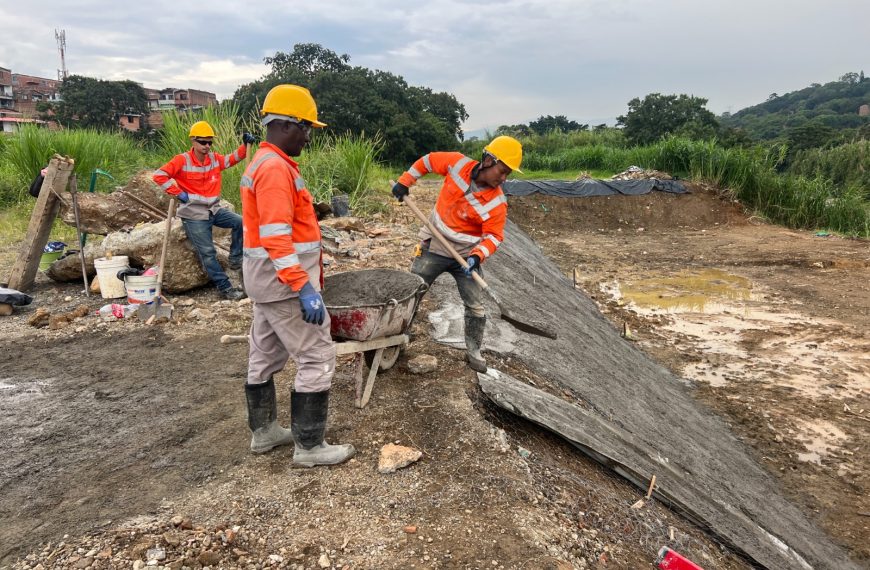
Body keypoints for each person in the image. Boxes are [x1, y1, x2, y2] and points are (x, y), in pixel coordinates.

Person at [240, 84, 355, 467]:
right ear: (288, 125)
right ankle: (309, 447)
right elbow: (276, 237)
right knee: (317, 354)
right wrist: (304, 286)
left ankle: (265, 433)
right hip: (285, 284)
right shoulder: (274, 169)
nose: (308, 137)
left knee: (265, 355)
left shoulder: (266, 162)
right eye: (307, 129)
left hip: (265, 282)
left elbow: (273, 226)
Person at [392, 135, 523, 373]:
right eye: (502, 171)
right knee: (412, 293)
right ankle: (398, 340)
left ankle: (473, 350)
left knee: (475, 307)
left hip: (465, 257)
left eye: (508, 174)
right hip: (436, 245)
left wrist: (476, 257)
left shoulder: (497, 203)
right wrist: (405, 182)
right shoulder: (457, 164)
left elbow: (494, 237)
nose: (503, 178)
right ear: (488, 160)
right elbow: (428, 161)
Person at [152, 121, 255, 300]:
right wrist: (178, 193)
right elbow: (159, 175)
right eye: (202, 142)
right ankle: (226, 289)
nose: (207, 146)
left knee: (241, 221)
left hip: (214, 210)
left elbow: (232, 159)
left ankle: (235, 258)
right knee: (208, 253)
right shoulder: (181, 160)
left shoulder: (214, 159)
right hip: (193, 214)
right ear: (193, 140)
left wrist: (245, 145)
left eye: (210, 142)